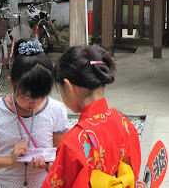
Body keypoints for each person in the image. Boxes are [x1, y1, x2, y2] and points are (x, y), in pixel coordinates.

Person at [0, 39, 68, 188]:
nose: (34, 102)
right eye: (26, 96)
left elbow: (62, 155)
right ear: (11, 83)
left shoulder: (56, 110)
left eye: (41, 95)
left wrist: (50, 162)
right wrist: (9, 160)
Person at [42, 44, 145, 188]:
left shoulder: (73, 143)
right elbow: (133, 173)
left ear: (68, 86)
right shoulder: (126, 125)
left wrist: (58, 166)